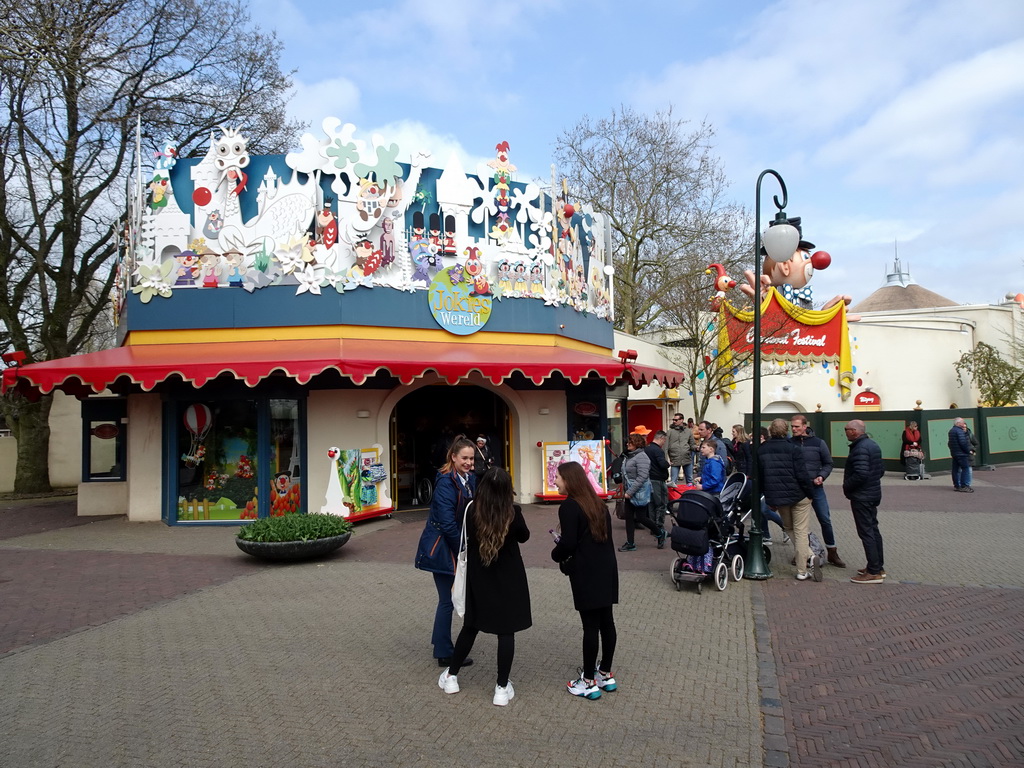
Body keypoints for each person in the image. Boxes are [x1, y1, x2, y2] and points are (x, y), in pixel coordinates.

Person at [437, 467, 531, 706]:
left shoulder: (471, 510)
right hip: (509, 578)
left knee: (470, 626)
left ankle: (452, 677)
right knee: (505, 631)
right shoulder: (513, 512)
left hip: (479, 577)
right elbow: (524, 536)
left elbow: (465, 537)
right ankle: (501, 688)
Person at [551, 461, 619, 700]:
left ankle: (588, 681)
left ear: (569, 480)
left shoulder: (570, 506)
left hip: (586, 572)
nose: (554, 481)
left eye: (557, 477)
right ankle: (605, 673)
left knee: (590, 626)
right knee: (606, 622)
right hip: (606, 568)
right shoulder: (598, 504)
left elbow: (568, 542)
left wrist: (556, 554)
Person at [415, 434, 477, 668]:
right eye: (464, 458)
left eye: (471, 458)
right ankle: (444, 652)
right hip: (442, 549)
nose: (469, 462)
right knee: (447, 601)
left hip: (454, 546)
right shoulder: (445, 482)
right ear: (453, 457)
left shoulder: (468, 479)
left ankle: (441, 644)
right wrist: (463, 549)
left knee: (449, 599)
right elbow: (447, 522)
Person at [757, 418, 820, 581]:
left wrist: (769, 498)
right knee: (800, 531)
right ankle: (802, 568)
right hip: (799, 495)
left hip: (779, 497)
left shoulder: (762, 450)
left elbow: (761, 477)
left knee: (789, 528)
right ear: (787, 430)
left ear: (771, 431)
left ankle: (809, 558)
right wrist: (810, 493)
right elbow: (802, 473)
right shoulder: (794, 448)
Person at [790, 414, 846, 568]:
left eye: (796, 426)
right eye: (792, 427)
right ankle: (802, 552)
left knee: (825, 519)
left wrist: (822, 476)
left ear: (805, 426)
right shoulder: (790, 443)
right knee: (799, 524)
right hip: (798, 489)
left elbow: (828, 463)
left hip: (815, 487)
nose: (793, 429)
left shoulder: (818, 443)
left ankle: (832, 552)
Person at [842, 420, 886, 583]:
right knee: (873, 530)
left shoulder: (859, 448)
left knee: (866, 531)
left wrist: (847, 486)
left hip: (862, 496)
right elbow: (880, 469)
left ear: (854, 431)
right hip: (872, 493)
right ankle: (877, 566)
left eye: (846, 429)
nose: (845, 432)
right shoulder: (872, 445)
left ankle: (873, 571)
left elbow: (861, 473)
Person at [617, 433, 663, 551]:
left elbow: (642, 477)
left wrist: (630, 492)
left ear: (637, 444)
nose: (627, 444)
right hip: (630, 491)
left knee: (642, 517)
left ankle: (660, 533)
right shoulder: (629, 456)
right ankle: (630, 543)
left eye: (630, 442)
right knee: (629, 518)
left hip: (639, 492)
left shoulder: (642, 457)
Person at [645, 430, 670, 545]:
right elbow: (662, 464)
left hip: (649, 478)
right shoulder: (658, 450)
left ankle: (653, 527)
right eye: (664, 440)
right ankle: (659, 526)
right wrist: (668, 464)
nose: (664, 443)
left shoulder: (647, 448)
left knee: (651, 503)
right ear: (661, 438)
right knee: (660, 503)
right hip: (658, 479)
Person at [666, 413, 697, 485]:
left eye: (676, 420)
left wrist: (697, 448)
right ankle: (674, 495)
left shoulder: (688, 431)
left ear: (681, 420)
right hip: (675, 459)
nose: (674, 421)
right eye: (673, 420)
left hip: (687, 458)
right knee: (673, 481)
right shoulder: (670, 432)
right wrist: (666, 460)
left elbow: (692, 444)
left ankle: (690, 494)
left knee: (690, 480)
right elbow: (666, 447)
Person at [947, 417, 975, 493]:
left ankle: (957, 485)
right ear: (958, 423)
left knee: (955, 470)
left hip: (955, 453)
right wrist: (968, 451)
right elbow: (963, 443)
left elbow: (950, 443)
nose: (963, 424)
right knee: (965, 468)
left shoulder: (951, 431)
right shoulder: (960, 431)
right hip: (962, 454)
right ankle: (964, 486)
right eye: (962, 422)